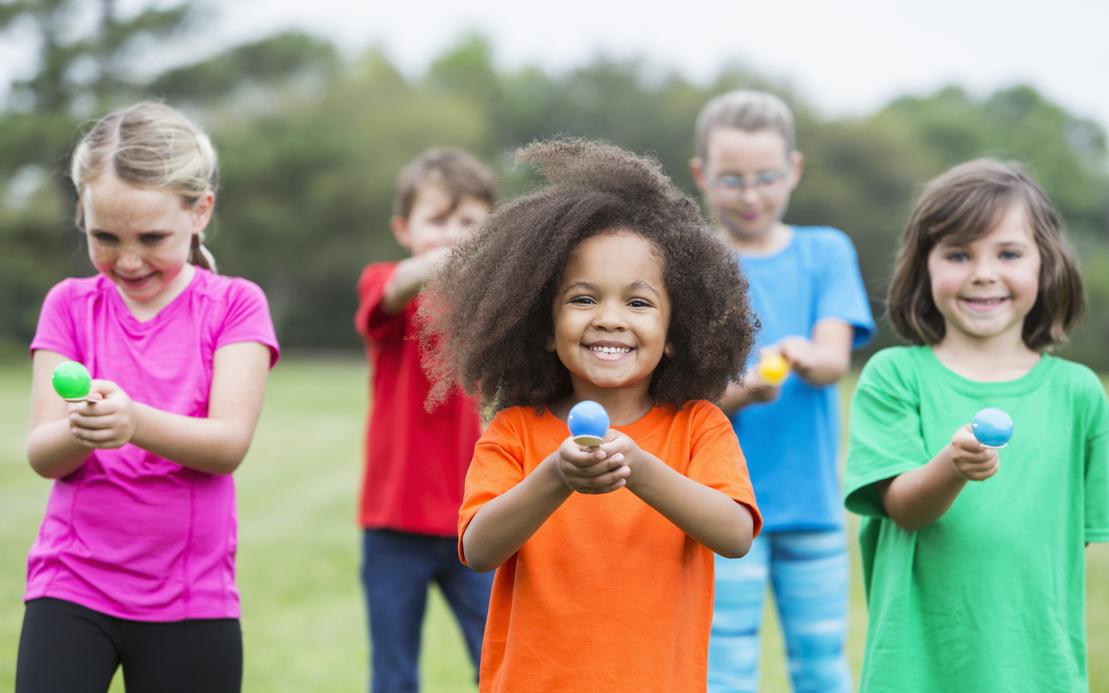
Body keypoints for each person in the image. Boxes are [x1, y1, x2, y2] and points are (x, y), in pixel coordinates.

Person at [418, 138, 763, 692]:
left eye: (639, 302)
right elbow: (479, 549)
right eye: (583, 299)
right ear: (544, 327)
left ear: (676, 334)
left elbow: (735, 533)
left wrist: (641, 469)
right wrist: (555, 476)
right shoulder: (515, 429)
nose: (609, 319)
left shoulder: (698, 425)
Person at [16, 101, 279, 693]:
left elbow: (227, 445)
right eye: (103, 236)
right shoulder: (69, 304)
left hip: (192, 598)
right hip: (70, 586)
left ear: (200, 211)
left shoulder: (236, 305)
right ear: (81, 216)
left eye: (151, 237)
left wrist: (132, 421)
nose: (127, 260)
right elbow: (42, 453)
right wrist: (82, 430)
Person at [844, 159, 1107, 692]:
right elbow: (904, 509)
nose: (983, 272)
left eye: (1008, 253)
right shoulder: (895, 377)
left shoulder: (1080, 393)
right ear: (925, 267)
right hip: (916, 670)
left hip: (1039, 671)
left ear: (1046, 264)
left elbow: (1065, 546)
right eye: (959, 254)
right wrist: (953, 467)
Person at [691, 90, 874, 692]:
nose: (751, 196)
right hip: (721, 508)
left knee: (823, 666)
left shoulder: (826, 251)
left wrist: (801, 356)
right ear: (702, 176)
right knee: (724, 670)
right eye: (732, 180)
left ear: (793, 170)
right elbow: (682, 395)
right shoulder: (690, 264)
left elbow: (831, 359)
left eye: (767, 177)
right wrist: (741, 392)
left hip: (813, 509)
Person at [353, 147, 497, 692]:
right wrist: (456, 255)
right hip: (394, 524)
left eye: (469, 223)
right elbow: (392, 292)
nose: (453, 234)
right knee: (393, 676)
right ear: (403, 228)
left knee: (499, 663)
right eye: (437, 220)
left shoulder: (496, 303)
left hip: (479, 518)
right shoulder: (386, 283)